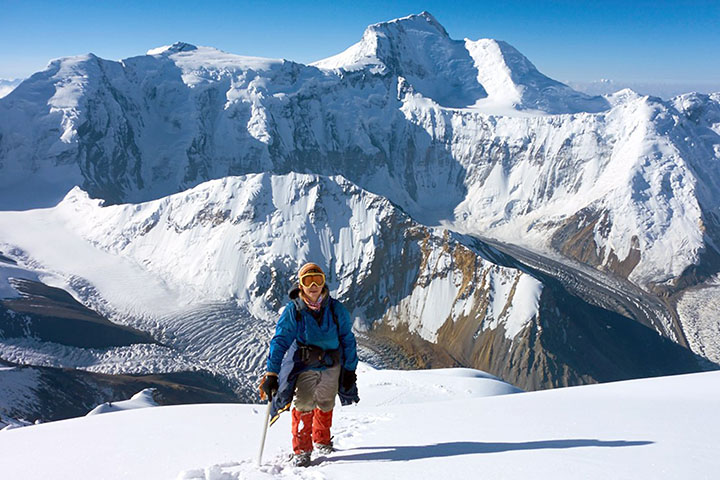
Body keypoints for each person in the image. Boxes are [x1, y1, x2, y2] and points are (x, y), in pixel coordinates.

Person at [259, 262, 358, 467]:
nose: (313, 285)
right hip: (305, 365)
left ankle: (322, 440)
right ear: (300, 285)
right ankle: (302, 450)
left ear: (323, 284)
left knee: (325, 402)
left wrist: (349, 369)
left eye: (317, 280)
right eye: (308, 280)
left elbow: (347, 339)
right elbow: (281, 340)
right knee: (304, 403)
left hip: (332, 365)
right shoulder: (294, 310)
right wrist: (272, 373)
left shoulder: (336, 309)